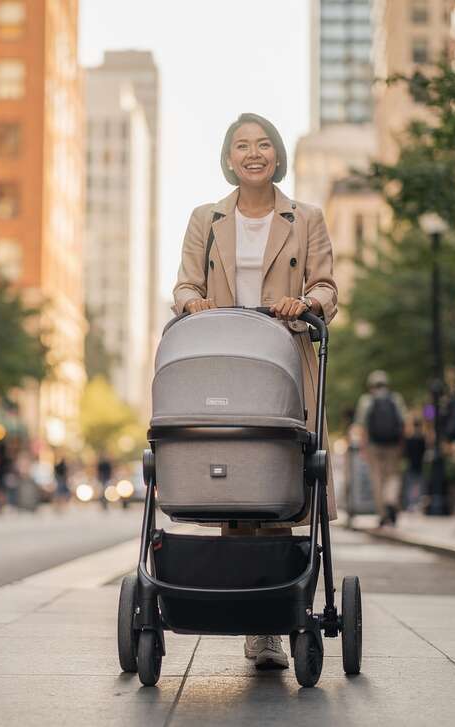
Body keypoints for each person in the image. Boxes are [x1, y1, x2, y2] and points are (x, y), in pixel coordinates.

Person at [172, 112, 338, 671]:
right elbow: (185, 283)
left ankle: (274, 618)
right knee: (232, 477)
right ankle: (250, 616)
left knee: (281, 482)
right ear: (228, 157)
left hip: (285, 357)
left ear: (276, 155)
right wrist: (192, 303)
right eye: (242, 145)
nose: (253, 153)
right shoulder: (206, 218)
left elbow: (326, 285)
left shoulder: (306, 218)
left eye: (263, 144)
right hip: (224, 358)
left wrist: (307, 303)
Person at [353, 371, 409, 527]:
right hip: (393, 444)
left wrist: (363, 447)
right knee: (393, 475)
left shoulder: (366, 401)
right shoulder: (396, 398)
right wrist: (402, 444)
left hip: (374, 445)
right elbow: (403, 423)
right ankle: (391, 499)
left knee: (377, 477)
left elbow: (362, 427)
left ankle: (384, 513)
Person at [402, 416, 427, 511]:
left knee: (410, 485)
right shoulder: (422, 439)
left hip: (411, 465)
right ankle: (417, 503)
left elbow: (406, 452)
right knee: (419, 484)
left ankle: (411, 503)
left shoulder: (409, 439)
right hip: (419, 465)